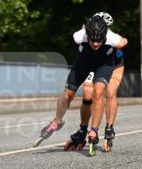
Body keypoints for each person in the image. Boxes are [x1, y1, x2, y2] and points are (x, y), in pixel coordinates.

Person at [34, 14, 128, 153]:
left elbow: (124, 42)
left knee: (102, 91)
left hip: (105, 64)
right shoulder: (80, 36)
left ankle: (96, 130)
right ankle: (58, 121)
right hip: (85, 61)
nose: (96, 44)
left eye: (99, 40)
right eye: (92, 40)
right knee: (70, 94)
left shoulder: (112, 38)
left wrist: (122, 38)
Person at [65, 11, 125, 151]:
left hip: (115, 63)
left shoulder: (112, 39)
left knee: (110, 91)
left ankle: (109, 128)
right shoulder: (89, 36)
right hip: (96, 64)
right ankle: (83, 130)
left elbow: (119, 55)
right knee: (87, 94)